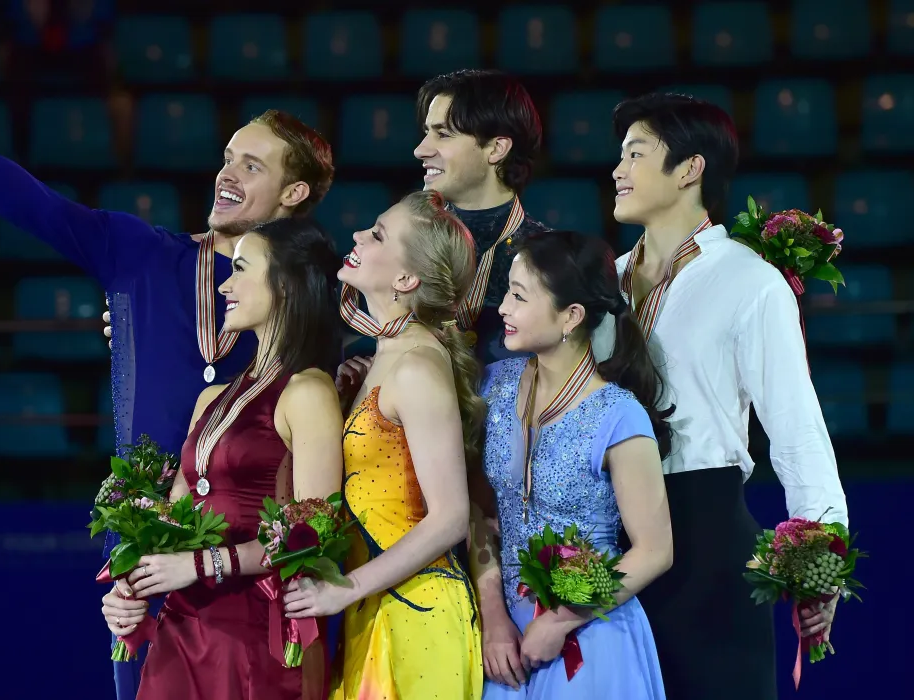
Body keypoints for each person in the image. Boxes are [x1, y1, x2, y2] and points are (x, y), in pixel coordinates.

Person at [0, 105, 334, 699]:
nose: (227, 175)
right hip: (146, 538)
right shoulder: (139, 255)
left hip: (258, 557)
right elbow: (39, 206)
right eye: (227, 159)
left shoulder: (308, 294)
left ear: (294, 191)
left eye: (251, 166)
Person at [593, 92, 849, 700]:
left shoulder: (749, 280)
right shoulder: (602, 285)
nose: (617, 170)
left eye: (636, 153)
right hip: (609, 534)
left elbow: (796, 427)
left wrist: (820, 558)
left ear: (690, 168)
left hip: (705, 534)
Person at [101, 218, 344, 699]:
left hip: (255, 635)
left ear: (286, 285)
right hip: (184, 627)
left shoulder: (309, 391)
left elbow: (315, 533)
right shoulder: (211, 397)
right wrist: (130, 585)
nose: (225, 285)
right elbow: (174, 518)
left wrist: (201, 564)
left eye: (239, 270)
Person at [283, 191, 484, 699]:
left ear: (405, 280)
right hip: (378, 606)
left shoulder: (417, 366)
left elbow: (451, 517)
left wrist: (340, 589)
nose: (356, 236)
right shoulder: (384, 356)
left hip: (418, 616)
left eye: (376, 234)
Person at [473, 229, 672, 699]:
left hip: (590, 635)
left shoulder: (619, 414)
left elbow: (655, 551)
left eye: (519, 297)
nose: (502, 308)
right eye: (507, 293)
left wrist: (563, 620)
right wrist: (493, 615)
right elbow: (477, 513)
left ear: (571, 316)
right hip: (506, 643)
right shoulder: (494, 386)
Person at [414, 69, 552, 364]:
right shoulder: (403, 242)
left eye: (443, 134)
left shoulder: (549, 258)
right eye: (426, 132)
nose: (420, 150)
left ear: (496, 149)